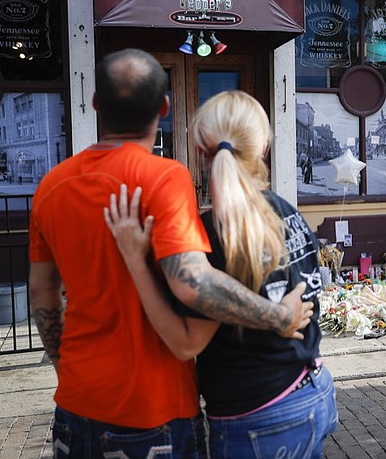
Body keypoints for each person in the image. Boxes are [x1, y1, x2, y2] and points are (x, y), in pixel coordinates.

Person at [28, 49, 313, 458]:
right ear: (164, 108)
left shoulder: (50, 187)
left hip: (76, 404)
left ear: (94, 104)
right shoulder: (165, 178)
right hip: (155, 410)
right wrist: (280, 317)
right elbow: (192, 282)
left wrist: (67, 370)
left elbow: (42, 295)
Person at [105, 90, 339, 459]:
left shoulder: (213, 233)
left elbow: (186, 343)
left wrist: (135, 258)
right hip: (313, 388)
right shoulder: (286, 212)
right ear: (262, 147)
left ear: (200, 151)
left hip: (258, 413)